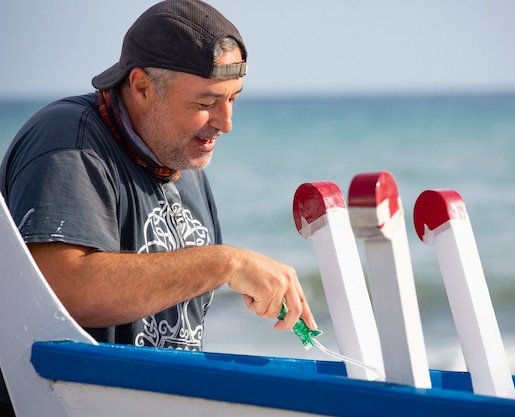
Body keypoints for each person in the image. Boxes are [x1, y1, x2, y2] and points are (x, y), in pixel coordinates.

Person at [0, 0, 316, 412]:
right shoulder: (68, 139)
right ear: (142, 87)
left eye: (232, 99)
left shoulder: (183, 160)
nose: (226, 121)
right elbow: (61, 288)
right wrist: (224, 264)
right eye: (205, 103)